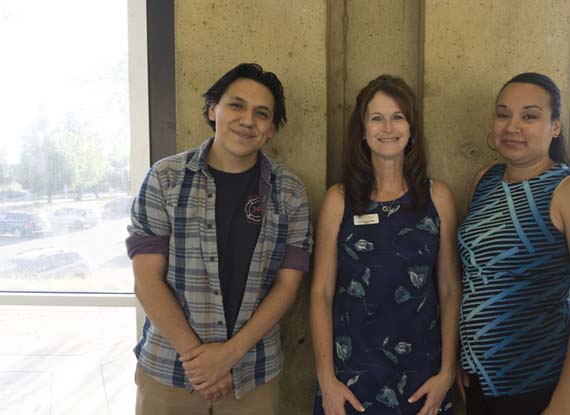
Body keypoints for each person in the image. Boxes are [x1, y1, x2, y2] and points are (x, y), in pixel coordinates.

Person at [126, 63, 313, 415]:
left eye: (262, 114)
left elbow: (288, 286)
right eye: (236, 105)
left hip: (253, 375)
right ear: (214, 109)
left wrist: (229, 354)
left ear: (271, 129)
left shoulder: (289, 192)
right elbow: (146, 279)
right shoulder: (165, 179)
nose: (247, 120)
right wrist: (201, 363)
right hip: (170, 370)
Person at [456, 73, 570, 415]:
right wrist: (466, 356)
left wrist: (564, 405)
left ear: (555, 126)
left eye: (529, 116)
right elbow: (477, 279)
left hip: (547, 381)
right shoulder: (484, 181)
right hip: (485, 381)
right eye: (503, 114)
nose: (512, 126)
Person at [310, 75, 462, 415]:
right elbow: (320, 291)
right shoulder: (339, 200)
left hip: (423, 374)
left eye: (397, 117)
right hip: (350, 378)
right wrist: (326, 379)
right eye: (376, 118)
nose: (387, 127)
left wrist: (447, 372)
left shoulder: (438, 197)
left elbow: (451, 288)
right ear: (363, 131)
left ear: (411, 129)